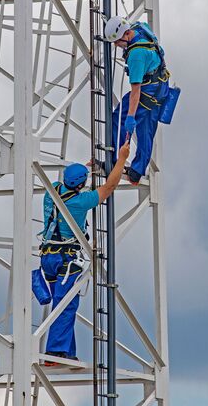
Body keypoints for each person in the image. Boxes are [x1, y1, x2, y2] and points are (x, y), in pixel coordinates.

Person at [38, 140, 130, 366]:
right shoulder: (80, 202)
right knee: (65, 305)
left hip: (48, 258)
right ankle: (56, 353)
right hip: (66, 258)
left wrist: (87, 168)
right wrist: (122, 159)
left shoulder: (51, 192)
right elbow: (109, 187)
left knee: (64, 302)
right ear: (81, 185)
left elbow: (72, 181)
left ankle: (66, 352)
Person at [104, 16, 170, 185]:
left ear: (126, 35)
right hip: (161, 85)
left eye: (117, 42)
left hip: (147, 89)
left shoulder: (136, 55)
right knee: (147, 127)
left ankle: (115, 161)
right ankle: (137, 171)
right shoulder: (140, 28)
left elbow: (135, 92)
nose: (116, 45)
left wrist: (131, 117)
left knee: (118, 118)